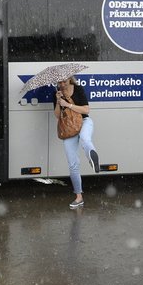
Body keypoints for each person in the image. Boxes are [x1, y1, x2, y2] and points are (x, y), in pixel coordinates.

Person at [54, 77, 99, 209]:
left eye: (64, 81)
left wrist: (68, 105)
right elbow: (57, 116)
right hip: (68, 128)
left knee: (85, 138)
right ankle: (79, 197)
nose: (62, 84)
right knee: (73, 164)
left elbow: (86, 110)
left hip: (84, 122)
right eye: (59, 82)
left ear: (70, 79)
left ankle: (92, 158)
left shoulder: (78, 89)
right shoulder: (57, 93)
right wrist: (58, 102)